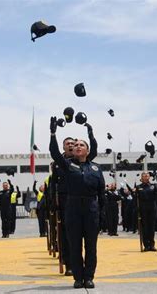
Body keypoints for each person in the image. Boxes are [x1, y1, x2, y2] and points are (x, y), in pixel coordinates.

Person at [49, 116, 105, 289]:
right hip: (72, 208)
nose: (78, 146)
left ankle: (89, 276)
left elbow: (101, 193)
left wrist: (102, 214)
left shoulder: (95, 168)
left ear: (88, 151)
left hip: (91, 209)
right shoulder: (67, 165)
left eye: (82, 145)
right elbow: (54, 153)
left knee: (91, 246)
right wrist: (53, 133)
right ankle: (78, 277)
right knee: (74, 245)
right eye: (76, 145)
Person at [135, 172, 157, 251]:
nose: (146, 177)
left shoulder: (153, 186)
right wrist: (137, 209)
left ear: (149, 177)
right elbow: (136, 199)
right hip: (143, 209)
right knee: (145, 228)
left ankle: (152, 245)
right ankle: (146, 245)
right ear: (141, 177)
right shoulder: (138, 187)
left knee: (151, 227)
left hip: (152, 209)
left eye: (147, 176)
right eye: (144, 176)